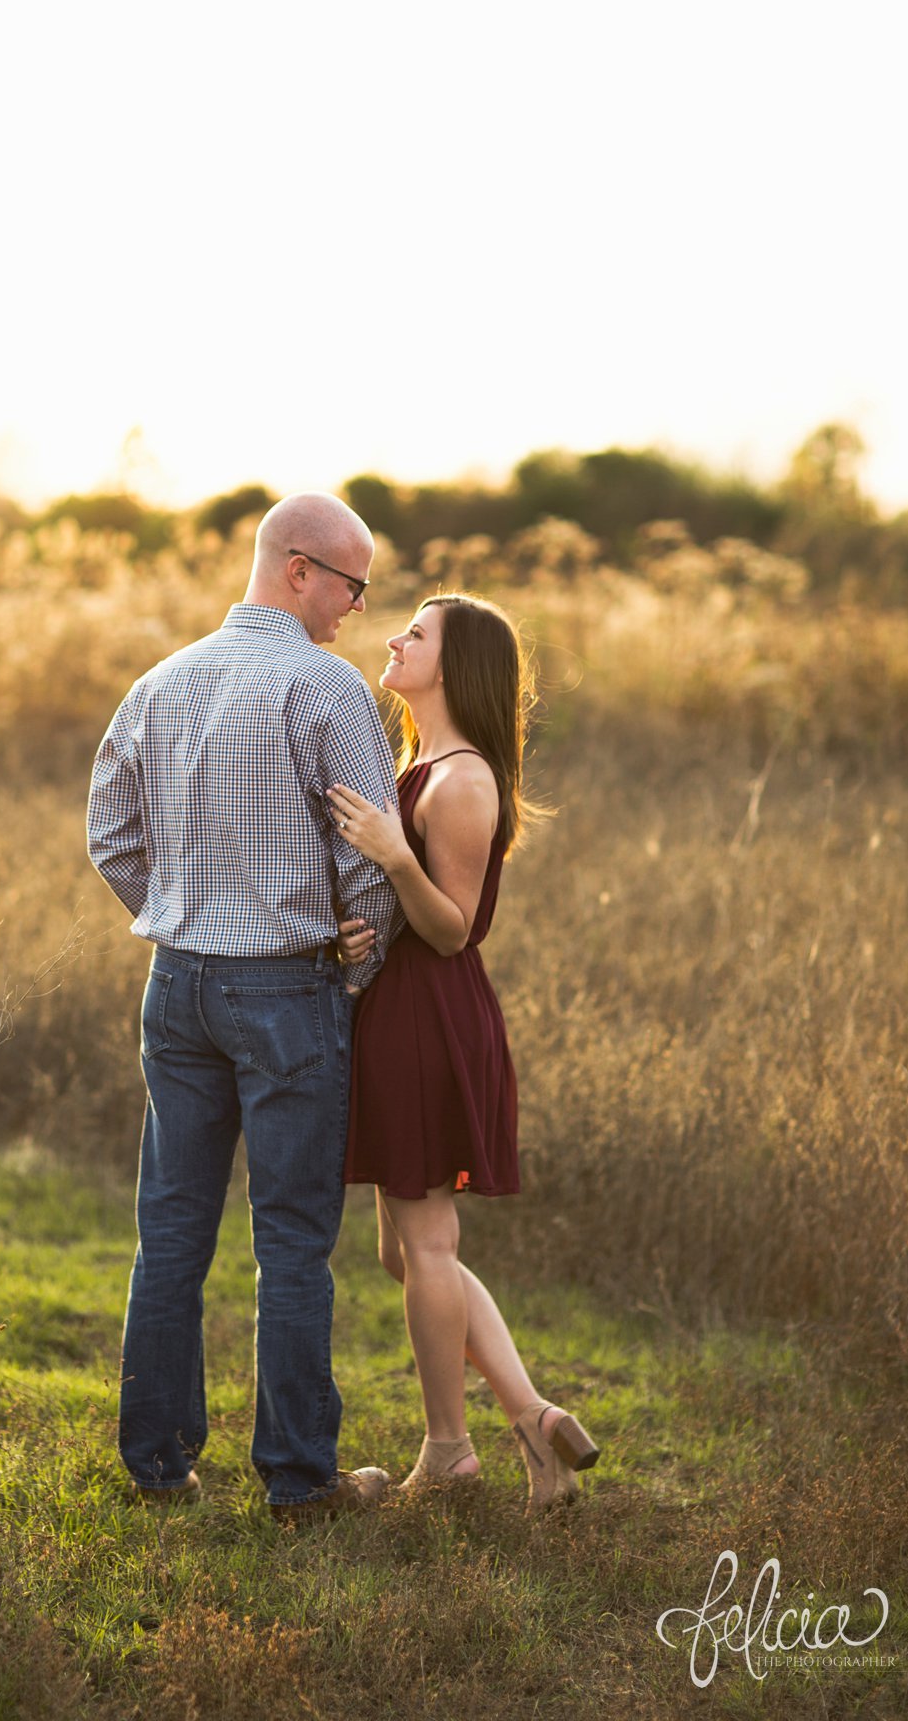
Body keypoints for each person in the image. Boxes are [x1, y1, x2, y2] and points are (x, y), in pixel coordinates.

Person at [86, 493, 401, 1518]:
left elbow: (111, 834)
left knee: (171, 1228)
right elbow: (372, 854)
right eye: (353, 583)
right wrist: (355, 957)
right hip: (284, 986)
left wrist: (175, 908)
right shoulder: (327, 688)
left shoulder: (161, 681)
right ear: (300, 569)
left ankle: (157, 1462)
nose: (360, 604)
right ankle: (300, 1478)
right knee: (294, 1239)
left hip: (175, 983)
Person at [329, 592, 601, 1513]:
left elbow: (449, 931)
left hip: (428, 1019)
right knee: (407, 1255)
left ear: (455, 666)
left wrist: (392, 858)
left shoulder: (462, 781)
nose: (395, 640)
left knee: (427, 1244)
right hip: (405, 1009)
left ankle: (448, 1452)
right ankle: (531, 1418)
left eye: (416, 633)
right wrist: (358, 930)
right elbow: (410, 924)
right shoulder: (423, 761)